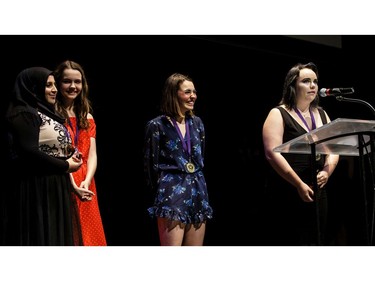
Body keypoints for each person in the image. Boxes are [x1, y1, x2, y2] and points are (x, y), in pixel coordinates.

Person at [3, 66, 94, 246]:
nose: (54, 89)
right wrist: (65, 166)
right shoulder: (24, 113)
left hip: (54, 184)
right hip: (37, 186)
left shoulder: (41, 112)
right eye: (47, 85)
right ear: (33, 87)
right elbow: (29, 151)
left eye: (54, 85)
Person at [262, 62, 340, 245]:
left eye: (315, 81)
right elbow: (272, 153)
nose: (313, 86)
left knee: (317, 240)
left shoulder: (322, 114)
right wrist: (298, 184)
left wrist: (327, 172)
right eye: (306, 81)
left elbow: (333, 150)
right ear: (292, 86)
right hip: (289, 189)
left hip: (318, 189)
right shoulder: (278, 113)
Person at [144, 73, 213, 246]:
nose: (193, 96)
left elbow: (200, 156)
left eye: (194, 92)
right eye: (187, 92)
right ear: (173, 94)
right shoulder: (157, 125)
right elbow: (150, 164)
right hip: (171, 192)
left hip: (198, 190)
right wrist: (161, 189)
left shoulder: (197, 123)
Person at [54, 60, 107, 246]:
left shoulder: (87, 116)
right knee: (68, 231)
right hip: (62, 176)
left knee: (89, 234)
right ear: (58, 83)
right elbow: (55, 155)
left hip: (86, 179)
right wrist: (73, 183)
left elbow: (92, 154)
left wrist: (87, 180)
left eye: (77, 81)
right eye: (67, 81)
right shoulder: (52, 114)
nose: (73, 86)